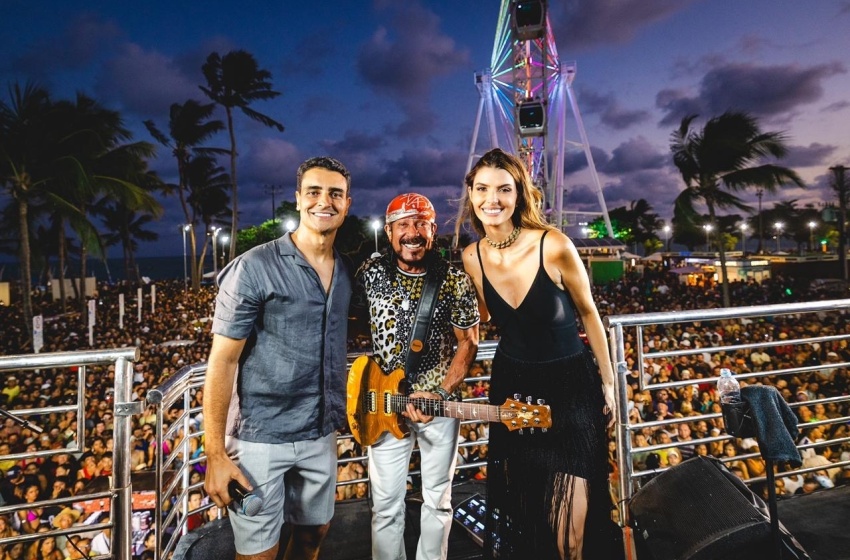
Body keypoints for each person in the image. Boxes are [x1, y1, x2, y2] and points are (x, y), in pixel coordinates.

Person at [457, 148, 616, 560]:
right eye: (482, 189)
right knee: (528, 516)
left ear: (519, 194)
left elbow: (589, 314)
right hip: (513, 388)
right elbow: (481, 318)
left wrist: (610, 382)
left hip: (570, 391)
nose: (492, 199)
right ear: (471, 194)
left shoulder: (553, 245)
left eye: (503, 189)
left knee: (570, 535)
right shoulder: (471, 258)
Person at [203, 156, 353, 560]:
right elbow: (222, 362)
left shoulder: (345, 271)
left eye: (335, 193)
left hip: (321, 432)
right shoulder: (254, 267)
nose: (325, 201)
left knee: (313, 537)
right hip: (260, 438)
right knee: (257, 554)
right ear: (299, 199)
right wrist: (214, 454)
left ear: (347, 203)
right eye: (314, 192)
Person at [355, 193, 480, 560]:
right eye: (403, 225)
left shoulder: (454, 280)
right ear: (389, 231)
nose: (412, 232)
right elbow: (346, 320)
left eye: (421, 224)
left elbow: (469, 341)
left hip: (439, 406)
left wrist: (442, 392)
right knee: (385, 506)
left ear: (433, 230)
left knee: (438, 499)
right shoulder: (370, 274)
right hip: (384, 405)